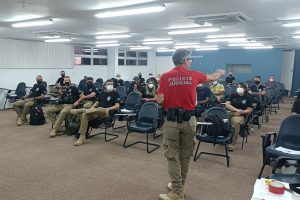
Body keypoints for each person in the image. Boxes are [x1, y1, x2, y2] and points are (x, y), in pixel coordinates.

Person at [155, 49, 224, 200]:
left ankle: (177, 192)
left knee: (172, 156)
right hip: (190, 121)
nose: (191, 61)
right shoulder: (194, 75)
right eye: (190, 59)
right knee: (185, 156)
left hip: (172, 122)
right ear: (185, 60)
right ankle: (179, 186)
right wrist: (219, 72)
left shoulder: (166, 77)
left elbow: (160, 100)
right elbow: (213, 77)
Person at [74, 79, 120, 146]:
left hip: (106, 113)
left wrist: (109, 108)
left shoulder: (116, 93)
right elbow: (97, 102)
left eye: (111, 84)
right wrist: (92, 107)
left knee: (99, 109)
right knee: (85, 115)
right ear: (105, 85)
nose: (110, 86)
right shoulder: (102, 93)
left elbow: (117, 106)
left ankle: (83, 110)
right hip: (97, 112)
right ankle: (82, 138)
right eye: (108, 84)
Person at [225, 82, 254, 151]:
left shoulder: (248, 97)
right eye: (238, 87)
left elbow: (250, 109)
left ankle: (232, 143)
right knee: (222, 118)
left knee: (234, 121)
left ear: (244, 89)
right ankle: (223, 137)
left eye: (240, 87)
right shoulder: (233, 95)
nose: (238, 88)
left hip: (242, 116)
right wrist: (237, 110)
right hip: (232, 112)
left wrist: (242, 112)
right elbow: (227, 105)